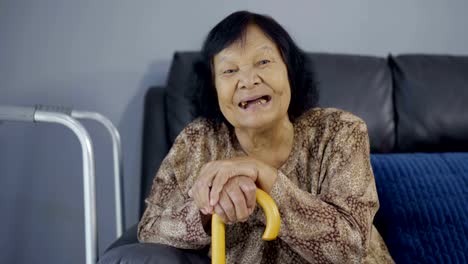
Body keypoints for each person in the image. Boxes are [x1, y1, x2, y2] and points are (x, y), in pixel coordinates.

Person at [138, 10, 394, 263]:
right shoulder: (197, 142)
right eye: (229, 71)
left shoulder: (340, 132)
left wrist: (264, 176)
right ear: (213, 87)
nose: (248, 81)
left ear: (289, 71)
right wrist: (207, 208)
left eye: (263, 62)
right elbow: (149, 229)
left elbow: (349, 249)